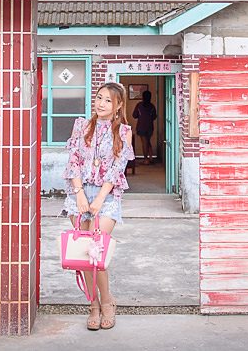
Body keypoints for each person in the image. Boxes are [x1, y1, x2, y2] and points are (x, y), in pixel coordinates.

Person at [62, 81, 134, 331]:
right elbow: (73, 160)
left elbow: (116, 169)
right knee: (84, 254)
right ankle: (93, 305)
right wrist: (80, 195)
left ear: (118, 105)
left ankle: (108, 302)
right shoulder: (82, 125)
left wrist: (99, 200)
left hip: (107, 195)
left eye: (107, 100)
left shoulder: (124, 131)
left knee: (96, 251)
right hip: (79, 193)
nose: (101, 103)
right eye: (99, 97)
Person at [132, 89, 157, 165]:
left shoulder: (139, 105)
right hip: (149, 126)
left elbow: (134, 115)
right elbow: (154, 117)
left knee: (144, 142)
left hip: (141, 126)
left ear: (143, 97)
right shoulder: (152, 106)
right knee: (148, 141)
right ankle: (151, 157)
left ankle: (146, 159)